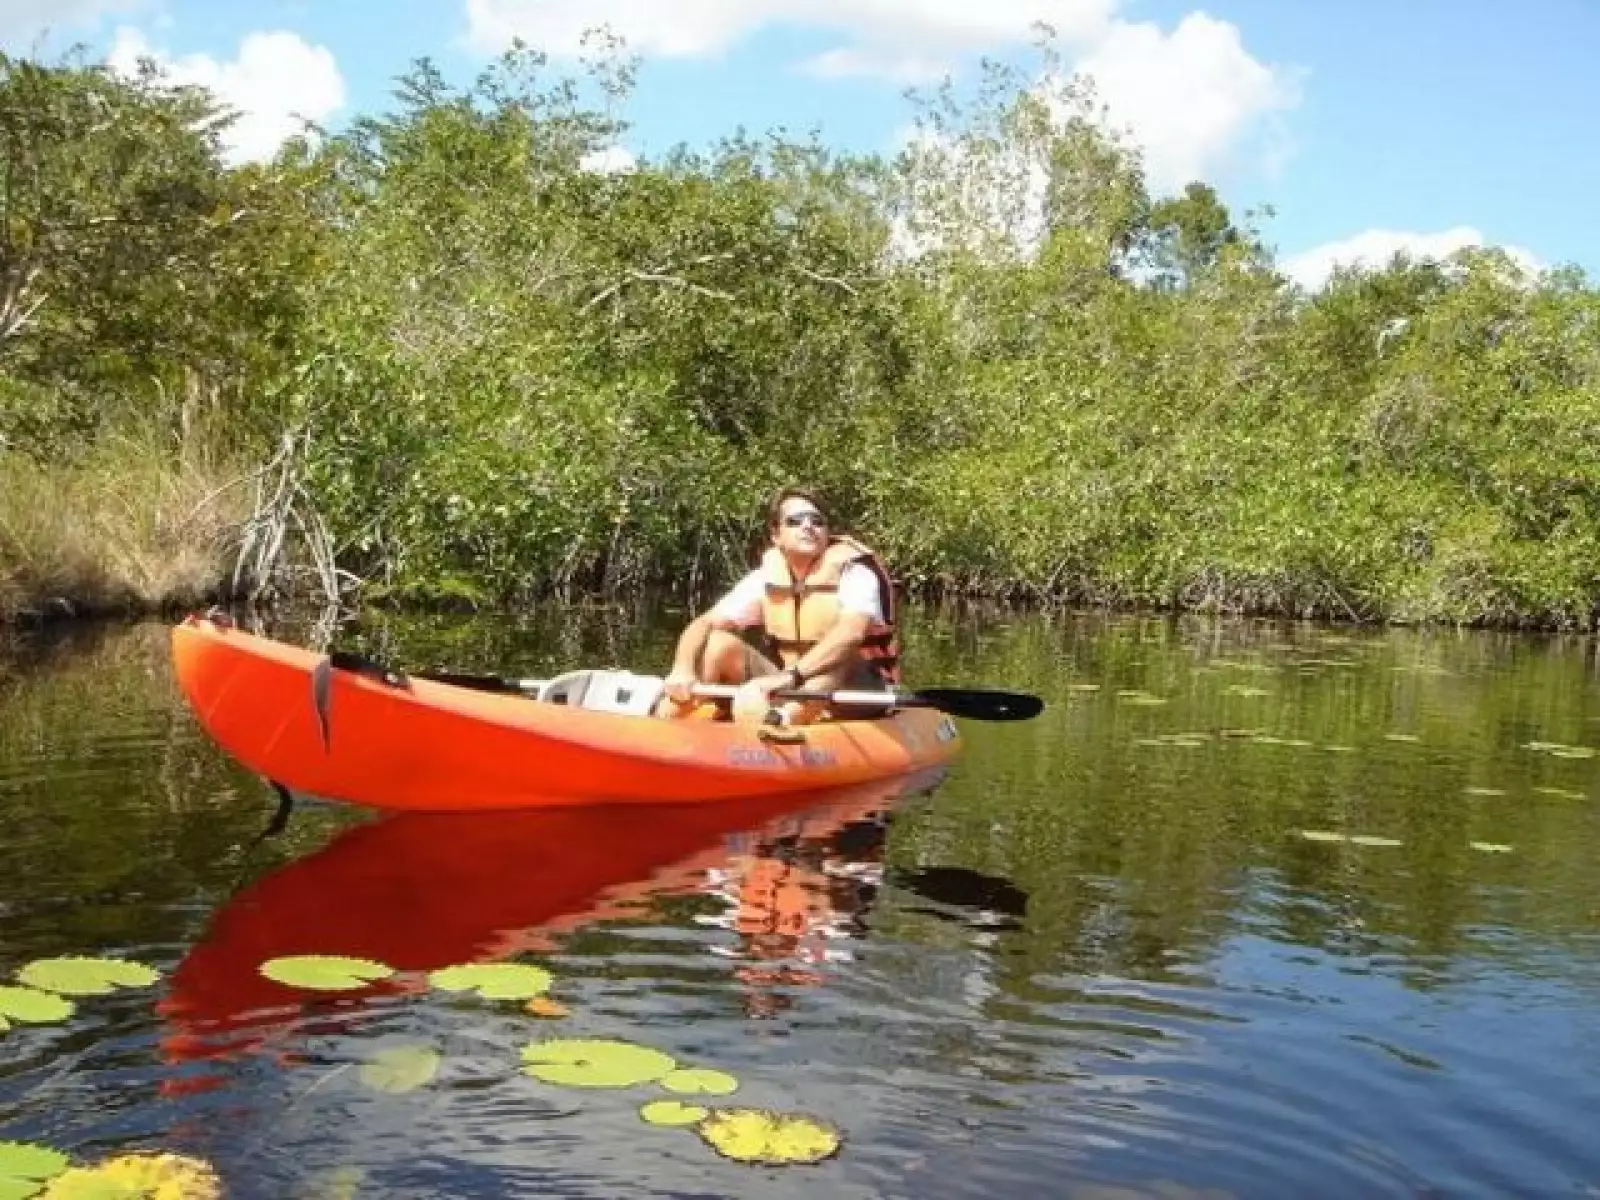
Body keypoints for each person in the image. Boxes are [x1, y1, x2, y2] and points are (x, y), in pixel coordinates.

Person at [659, 486, 901, 737]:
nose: (808, 526)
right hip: (788, 683)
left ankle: (783, 722)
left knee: (840, 655)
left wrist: (792, 676)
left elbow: (851, 633)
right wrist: (683, 668)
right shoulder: (766, 578)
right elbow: (705, 623)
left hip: (856, 692)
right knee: (718, 643)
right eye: (795, 521)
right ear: (776, 534)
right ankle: (677, 719)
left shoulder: (855, 573)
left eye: (817, 521)